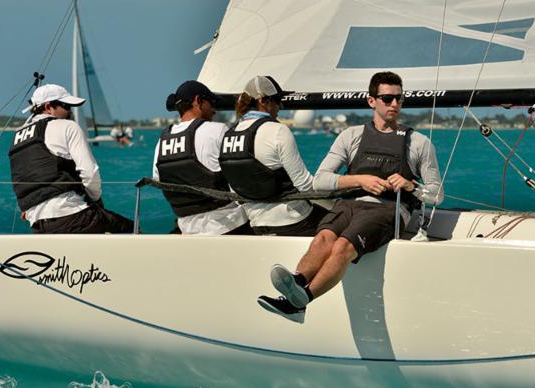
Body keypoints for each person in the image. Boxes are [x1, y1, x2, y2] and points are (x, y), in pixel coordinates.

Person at [258, 71, 444, 322]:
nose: (395, 104)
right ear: (371, 101)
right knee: (323, 237)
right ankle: (297, 284)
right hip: (350, 204)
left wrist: (411, 186)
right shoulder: (351, 136)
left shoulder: (419, 143)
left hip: (389, 210)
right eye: (387, 98)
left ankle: (302, 300)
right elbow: (321, 180)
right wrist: (360, 180)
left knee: (343, 246)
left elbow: (437, 194)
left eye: (399, 98)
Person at [9, 84, 134, 234]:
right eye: (66, 106)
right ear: (49, 107)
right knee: (132, 229)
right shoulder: (68, 126)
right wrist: (96, 200)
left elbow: (24, 178)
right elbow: (90, 173)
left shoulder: (17, 136)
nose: (70, 112)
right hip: (69, 216)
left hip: (36, 223)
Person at [219, 75, 327, 236]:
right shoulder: (277, 131)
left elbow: (235, 192)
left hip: (257, 224)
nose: (281, 106)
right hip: (294, 221)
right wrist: (339, 185)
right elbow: (305, 186)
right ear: (263, 101)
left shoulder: (228, 135)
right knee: (341, 215)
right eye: (277, 100)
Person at [152, 80, 251, 235]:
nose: (214, 110)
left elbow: (158, 178)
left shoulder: (162, 141)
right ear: (198, 101)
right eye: (211, 103)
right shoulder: (218, 130)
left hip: (187, 229)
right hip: (228, 226)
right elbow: (242, 176)